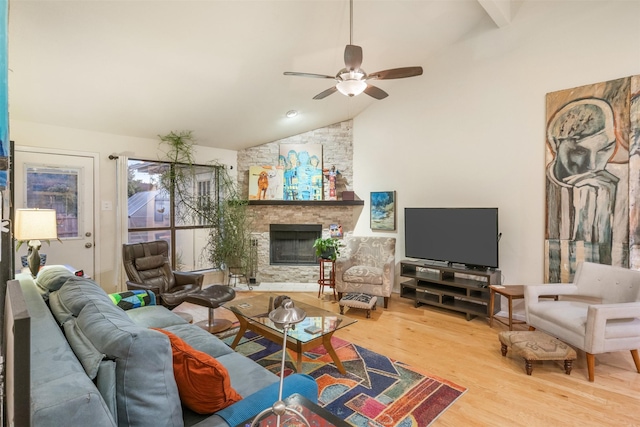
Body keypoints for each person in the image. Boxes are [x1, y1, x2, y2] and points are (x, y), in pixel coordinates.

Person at [545, 98, 619, 281]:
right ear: (555, 144)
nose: (593, 165)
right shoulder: (543, 193)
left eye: (605, 149)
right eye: (580, 152)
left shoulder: (624, 192)